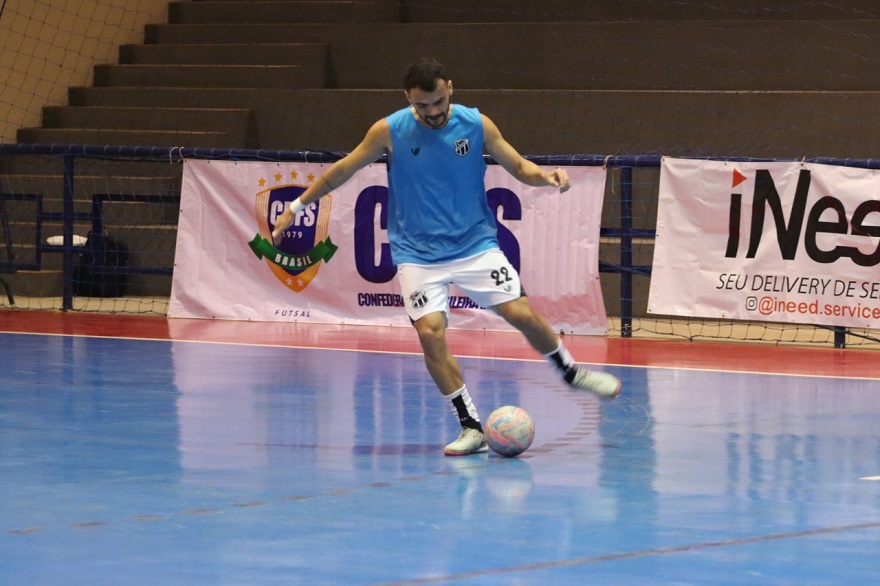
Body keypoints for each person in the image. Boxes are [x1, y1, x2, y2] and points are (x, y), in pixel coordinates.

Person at [272, 58, 621, 456]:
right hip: (417, 253)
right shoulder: (389, 131)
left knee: (521, 314)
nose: (433, 112)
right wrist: (297, 206)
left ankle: (571, 372)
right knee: (430, 332)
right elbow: (342, 170)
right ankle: (471, 426)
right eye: (423, 106)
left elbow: (519, 165)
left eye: (438, 101)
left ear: (450, 88)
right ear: (408, 98)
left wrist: (546, 176)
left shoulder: (476, 124)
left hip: (474, 244)